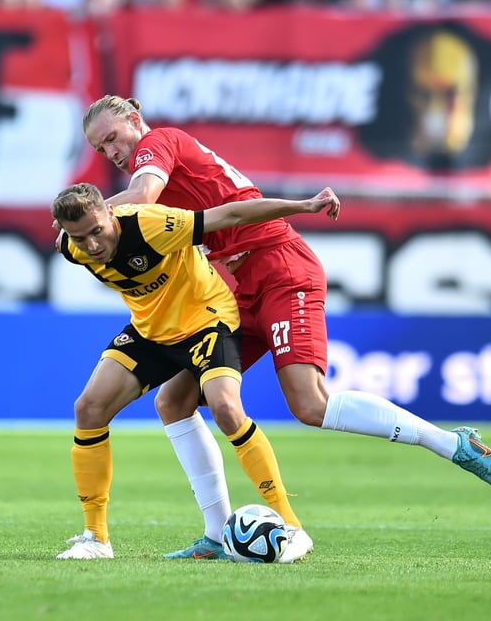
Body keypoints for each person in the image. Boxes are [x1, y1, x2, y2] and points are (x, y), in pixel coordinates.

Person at [80, 94, 491, 559]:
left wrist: (81, 216)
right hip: (235, 288)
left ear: (135, 120)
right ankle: (216, 531)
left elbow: (142, 198)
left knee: (310, 403)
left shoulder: (158, 144)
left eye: (112, 138)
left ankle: (451, 443)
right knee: (174, 400)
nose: (113, 152)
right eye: (101, 149)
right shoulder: (152, 175)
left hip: (282, 270)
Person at [52, 181, 340, 561]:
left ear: (110, 212)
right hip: (151, 330)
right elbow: (72, 241)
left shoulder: (153, 225)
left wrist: (304, 205)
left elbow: (233, 214)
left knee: (225, 408)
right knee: (88, 408)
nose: (91, 245)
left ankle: (291, 525)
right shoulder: (70, 247)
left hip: (207, 320)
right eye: (79, 237)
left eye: (96, 231)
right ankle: (96, 538)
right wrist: (74, 238)